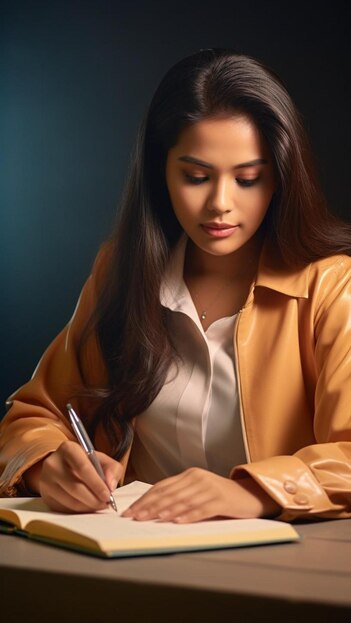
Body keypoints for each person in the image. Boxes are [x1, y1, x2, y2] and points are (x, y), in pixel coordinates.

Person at [1, 49, 351, 524]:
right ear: (160, 172)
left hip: (281, 567)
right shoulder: (121, 273)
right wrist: (47, 465)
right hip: (129, 557)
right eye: (196, 176)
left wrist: (254, 492)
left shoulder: (332, 288)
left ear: (280, 180)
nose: (220, 203)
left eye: (248, 179)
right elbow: (30, 416)